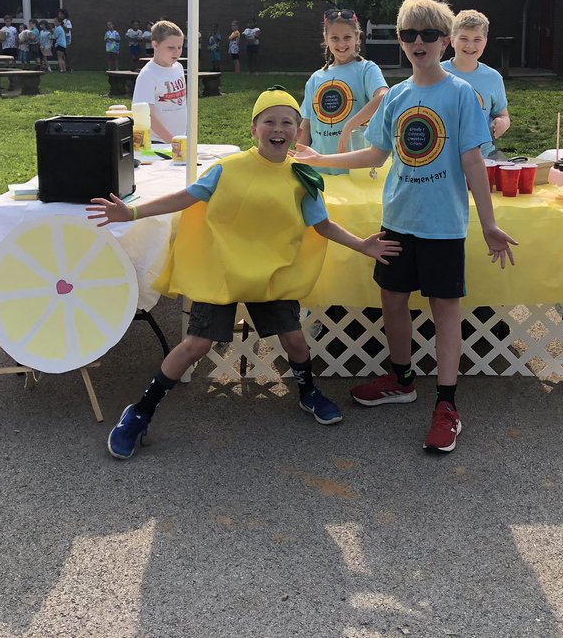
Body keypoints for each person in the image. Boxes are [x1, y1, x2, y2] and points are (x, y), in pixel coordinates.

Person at [88, 87, 402, 459]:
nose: (278, 128)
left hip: (272, 275)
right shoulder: (228, 168)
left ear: (298, 131)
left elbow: (323, 226)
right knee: (196, 345)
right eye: (269, 121)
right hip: (223, 270)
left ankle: (307, 393)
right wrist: (133, 212)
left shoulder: (303, 176)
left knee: (295, 341)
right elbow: (187, 196)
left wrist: (362, 245)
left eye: (287, 121)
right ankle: (140, 411)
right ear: (254, 129)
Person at [294, 0, 518, 453]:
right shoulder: (396, 96)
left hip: (443, 226)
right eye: (410, 35)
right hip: (398, 220)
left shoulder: (460, 95)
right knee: (392, 301)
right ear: (400, 41)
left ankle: (448, 403)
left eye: (430, 35)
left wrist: (488, 224)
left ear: (444, 41)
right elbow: (377, 152)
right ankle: (401, 378)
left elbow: (473, 161)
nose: (420, 43)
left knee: (445, 310)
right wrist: (322, 157)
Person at [299, 8, 388, 174]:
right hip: (317, 171)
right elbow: (306, 123)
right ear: (326, 39)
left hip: (353, 171)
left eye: (347, 37)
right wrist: (300, 162)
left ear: (357, 37)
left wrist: (349, 125)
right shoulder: (315, 78)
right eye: (334, 38)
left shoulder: (366, 69)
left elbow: (383, 97)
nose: (341, 44)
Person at [442, 9, 511, 160]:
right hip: (443, 158)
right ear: (452, 40)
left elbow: (503, 114)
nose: (470, 45)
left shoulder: (493, 78)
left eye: (477, 39)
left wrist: (502, 123)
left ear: (485, 42)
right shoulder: (435, 73)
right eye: (464, 38)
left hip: (483, 157)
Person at [132, 20, 187, 143]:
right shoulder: (147, 75)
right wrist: (171, 141)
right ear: (155, 45)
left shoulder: (179, 68)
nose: (177, 52)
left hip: (181, 139)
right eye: (171, 47)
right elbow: (146, 115)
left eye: (179, 47)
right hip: (158, 143)